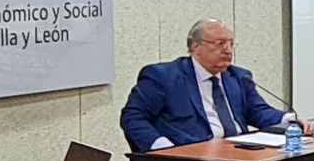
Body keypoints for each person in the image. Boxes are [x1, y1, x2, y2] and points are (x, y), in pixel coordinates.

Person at [120, 19, 304, 151]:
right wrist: (162, 147)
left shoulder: (238, 76)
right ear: (196, 47)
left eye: (231, 44)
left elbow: (258, 111)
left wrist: (289, 119)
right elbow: (133, 117)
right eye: (219, 43)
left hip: (238, 153)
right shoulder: (164, 77)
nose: (228, 50)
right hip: (193, 159)